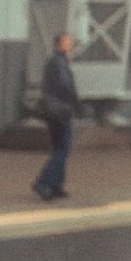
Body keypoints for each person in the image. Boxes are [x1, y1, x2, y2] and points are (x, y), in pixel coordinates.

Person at [34, 33, 79, 201]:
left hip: (53, 110)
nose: (71, 44)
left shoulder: (55, 62)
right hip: (61, 111)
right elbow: (66, 86)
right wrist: (77, 104)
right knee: (62, 149)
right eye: (67, 42)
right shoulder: (59, 63)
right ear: (59, 45)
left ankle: (56, 185)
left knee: (59, 148)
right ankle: (43, 182)